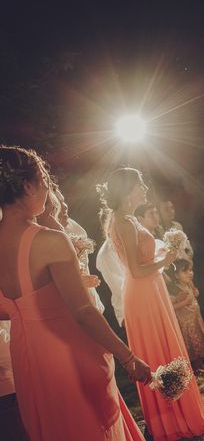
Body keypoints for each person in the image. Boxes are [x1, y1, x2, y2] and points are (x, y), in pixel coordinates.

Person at [0, 145, 149, 441]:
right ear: (28, 186)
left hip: (25, 360)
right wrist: (128, 356)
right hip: (63, 354)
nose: (47, 190)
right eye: (44, 181)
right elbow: (83, 312)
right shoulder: (49, 241)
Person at [100, 168, 204, 441]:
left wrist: (162, 252)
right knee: (159, 355)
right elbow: (137, 270)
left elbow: (139, 259)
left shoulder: (127, 219)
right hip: (143, 293)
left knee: (166, 351)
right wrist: (168, 258)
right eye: (140, 185)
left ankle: (180, 419)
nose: (145, 189)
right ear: (128, 189)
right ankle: (171, 425)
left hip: (150, 290)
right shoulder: (124, 222)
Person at [167, 259, 204, 374]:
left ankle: (202, 364)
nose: (190, 273)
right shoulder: (175, 289)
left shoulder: (187, 284)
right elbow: (171, 307)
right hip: (185, 322)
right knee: (192, 343)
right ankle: (196, 367)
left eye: (190, 270)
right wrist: (184, 301)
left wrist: (194, 291)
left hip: (194, 319)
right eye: (185, 271)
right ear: (176, 275)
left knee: (199, 341)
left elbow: (194, 294)